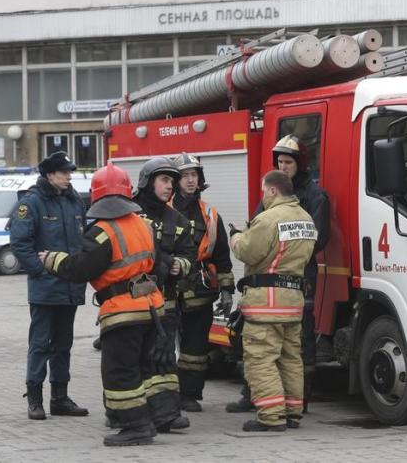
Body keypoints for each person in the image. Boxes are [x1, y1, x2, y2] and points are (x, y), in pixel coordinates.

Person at [37, 162, 168, 446]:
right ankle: (145, 419)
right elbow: (158, 263)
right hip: (151, 309)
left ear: (97, 197)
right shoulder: (144, 225)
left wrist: (52, 259)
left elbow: (81, 269)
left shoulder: (101, 232)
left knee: (120, 372)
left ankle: (135, 427)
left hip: (122, 312)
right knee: (142, 368)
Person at [226, 134, 330, 413]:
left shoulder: (315, 197)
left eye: (288, 162)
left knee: (289, 347)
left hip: (293, 281)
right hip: (281, 285)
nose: (283, 167)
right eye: (280, 162)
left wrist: (243, 241)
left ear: (300, 164)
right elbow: (257, 228)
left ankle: (294, 404)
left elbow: (316, 240)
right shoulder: (273, 200)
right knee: (280, 350)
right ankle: (258, 397)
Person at [229, 170, 316, 431]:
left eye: (264, 190)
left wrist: (235, 237)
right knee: (291, 358)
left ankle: (271, 416)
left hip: (266, 302)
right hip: (293, 303)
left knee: (261, 358)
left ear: (273, 190)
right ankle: (292, 412)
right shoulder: (306, 219)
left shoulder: (268, 219)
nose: (263, 196)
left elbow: (249, 252)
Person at [9, 151, 88, 420]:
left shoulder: (74, 200)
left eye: (69, 172)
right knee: (40, 344)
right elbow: (20, 244)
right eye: (64, 172)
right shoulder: (31, 203)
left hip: (70, 287)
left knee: (63, 344)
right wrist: (40, 272)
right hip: (45, 290)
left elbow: (83, 240)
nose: (69, 176)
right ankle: (34, 399)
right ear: (49, 174)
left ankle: (60, 398)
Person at [133, 156, 197, 431]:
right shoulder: (130, 215)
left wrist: (178, 266)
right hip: (132, 303)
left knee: (163, 358)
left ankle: (167, 415)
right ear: (148, 182)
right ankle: (128, 414)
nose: (169, 186)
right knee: (131, 359)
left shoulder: (178, 220)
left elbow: (189, 254)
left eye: (172, 181)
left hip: (165, 303)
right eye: (164, 180)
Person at [171, 153, 235, 412]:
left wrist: (227, 290)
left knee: (195, 347)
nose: (190, 180)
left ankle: (189, 394)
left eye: (194, 176)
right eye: (185, 176)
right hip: (169, 289)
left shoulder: (209, 214)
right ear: (176, 181)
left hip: (200, 290)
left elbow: (221, 254)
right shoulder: (162, 210)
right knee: (162, 345)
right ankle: (164, 394)